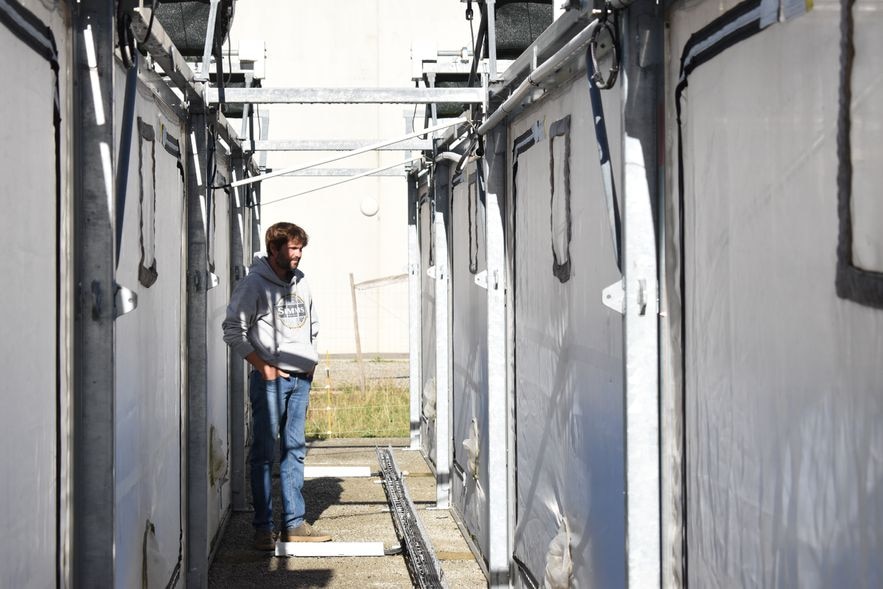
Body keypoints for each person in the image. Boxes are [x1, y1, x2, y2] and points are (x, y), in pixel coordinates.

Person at [223, 221, 332, 550]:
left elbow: (312, 325)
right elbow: (232, 330)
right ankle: (263, 529)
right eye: (292, 249)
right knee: (264, 453)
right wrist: (263, 367)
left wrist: (310, 363)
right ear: (274, 250)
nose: (297, 254)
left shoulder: (302, 281)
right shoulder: (254, 285)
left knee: (295, 451)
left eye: (300, 249)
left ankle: (293, 524)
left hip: (301, 380)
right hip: (271, 381)